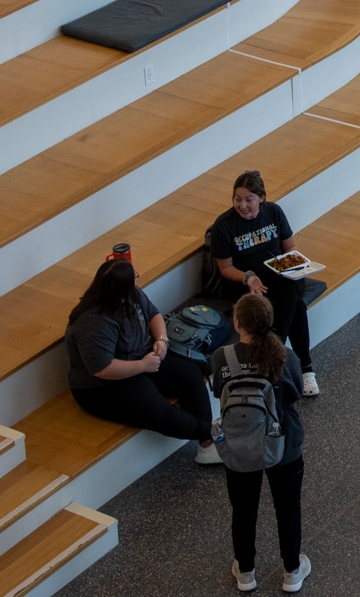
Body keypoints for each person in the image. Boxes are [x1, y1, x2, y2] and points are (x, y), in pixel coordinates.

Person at [210, 293, 311, 593]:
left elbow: (219, 392)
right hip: (283, 445)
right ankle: (292, 571)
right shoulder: (285, 356)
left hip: (240, 444)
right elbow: (295, 394)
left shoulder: (221, 357)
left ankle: (245, 572)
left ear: (237, 322)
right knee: (287, 508)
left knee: (243, 509)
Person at [65, 252, 214, 450]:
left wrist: (162, 340)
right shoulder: (93, 323)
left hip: (143, 360)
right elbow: (102, 368)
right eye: (135, 277)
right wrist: (143, 366)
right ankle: (211, 433)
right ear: (120, 288)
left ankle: (207, 441)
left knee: (191, 374)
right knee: (158, 411)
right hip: (103, 385)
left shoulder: (131, 294)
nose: (138, 279)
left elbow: (154, 315)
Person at [209, 170, 319, 398]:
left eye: (249, 199)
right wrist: (248, 277)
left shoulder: (274, 212)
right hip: (245, 281)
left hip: (278, 274)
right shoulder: (224, 225)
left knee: (288, 288)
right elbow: (225, 268)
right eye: (237, 199)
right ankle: (303, 367)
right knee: (296, 305)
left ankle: (274, 354)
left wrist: (294, 263)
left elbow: (290, 247)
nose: (243, 205)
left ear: (261, 198)